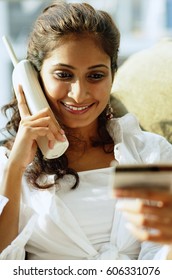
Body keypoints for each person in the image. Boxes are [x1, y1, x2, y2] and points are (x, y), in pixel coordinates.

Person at [0, 0, 172, 260]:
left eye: (95, 76)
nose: (79, 94)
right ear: (34, 79)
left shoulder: (143, 154)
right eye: (63, 75)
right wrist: (15, 169)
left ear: (112, 75)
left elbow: (160, 257)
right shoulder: (10, 168)